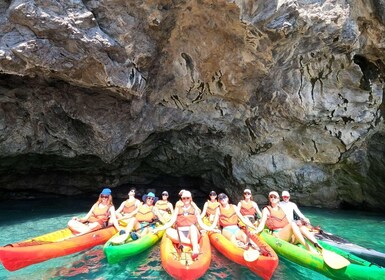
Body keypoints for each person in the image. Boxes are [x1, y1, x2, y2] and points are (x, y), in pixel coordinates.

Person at [154, 190, 215, 259]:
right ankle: (192, 243)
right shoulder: (178, 209)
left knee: (192, 227)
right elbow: (170, 223)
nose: (186, 200)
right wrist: (159, 228)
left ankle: (195, 248)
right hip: (180, 233)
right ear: (182, 199)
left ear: (190, 198)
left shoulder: (195, 210)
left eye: (187, 198)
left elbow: (201, 224)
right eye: (184, 198)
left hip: (192, 233)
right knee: (168, 231)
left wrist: (211, 229)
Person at [255, 191, 319, 252]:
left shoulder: (281, 208)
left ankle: (318, 247)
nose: (273, 198)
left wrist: (303, 220)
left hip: (288, 235)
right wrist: (257, 231)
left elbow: (290, 219)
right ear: (269, 199)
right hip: (278, 235)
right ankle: (309, 249)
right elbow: (263, 222)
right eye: (271, 197)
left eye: (275, 197)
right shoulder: (266, 209)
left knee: (302, 228)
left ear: (278, 199)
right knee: (292, 224)